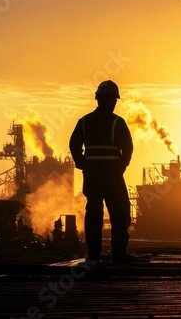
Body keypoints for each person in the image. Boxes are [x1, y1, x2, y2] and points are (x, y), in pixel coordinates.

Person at [69, 80, 135, 264]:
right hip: (112, 175)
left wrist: (82, 162)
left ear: (97, 98)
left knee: (94, 213)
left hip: (92, 175)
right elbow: (128, 148)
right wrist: (121, 166)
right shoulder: (117, 122)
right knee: (120, 212)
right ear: (113, 101)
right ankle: (119, 253)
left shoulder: (84, 122)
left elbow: (74, 144)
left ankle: (93, 255)